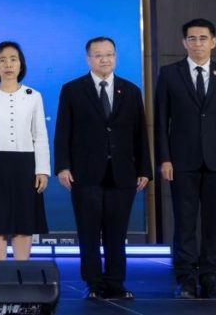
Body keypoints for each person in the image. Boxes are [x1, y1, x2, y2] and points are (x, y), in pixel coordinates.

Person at [54, 37, 151, 300]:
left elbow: (140, 134)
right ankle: (94, 284)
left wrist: (144, 169)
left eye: (109, 54)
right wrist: (62, 166)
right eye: (98, 55)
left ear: (115, 57)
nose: (104, 59)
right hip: (85, 173)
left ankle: (116, 283)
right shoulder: (73, 90)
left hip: (123, 173)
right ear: (88, 59)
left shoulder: (131, 91)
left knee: (117, 233)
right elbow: (63, 132)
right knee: (88, 232)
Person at [155, 18, 216, 300]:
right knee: (184, 223)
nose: (197, 43)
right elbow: (161, 121)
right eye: (191, 38)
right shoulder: (169, 73)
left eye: (203, 38)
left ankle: (211, 278)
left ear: (214, 42)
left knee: (214, 223)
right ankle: (186, 279)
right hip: (181, 162)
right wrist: (165, 158)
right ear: (184, 43)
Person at [0, 41, 49, 261]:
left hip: (26, 165)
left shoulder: (34, 96)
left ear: (21, 64)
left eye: (13, 59)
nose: (8, 64)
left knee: (24, 221)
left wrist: (42, 170)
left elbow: (40, 135)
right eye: (2, 60)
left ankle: (21, 271)